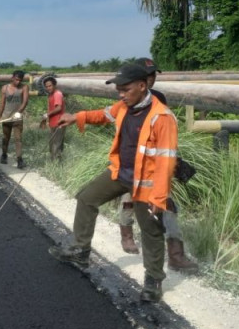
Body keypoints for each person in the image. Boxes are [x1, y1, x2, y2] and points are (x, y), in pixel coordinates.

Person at [49, 63, 178, 303]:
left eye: (125, 89)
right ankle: (80, 250)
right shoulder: (124, 106)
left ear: (142, 86)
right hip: (121, 172)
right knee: (86, 198)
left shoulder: (162, 117)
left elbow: (166, 161)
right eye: (119, 90)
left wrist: (159, 197)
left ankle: (153, 281)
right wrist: (76, 116)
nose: (121, 94)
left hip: (146, 182)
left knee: (150, 230)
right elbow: (103, 114)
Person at [116, 57, 198, 272]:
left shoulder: (159, 100)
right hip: (132, 166)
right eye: (148, 75)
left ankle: (176, 254)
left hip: (154, 167)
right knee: (129, 200)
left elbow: (164, 138)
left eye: (153, 75)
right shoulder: (127, 101)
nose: (151, 79)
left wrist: (174, 162)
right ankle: (127, 235)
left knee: (167, 205)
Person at [0, 70, 29, 168]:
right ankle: (4, 154)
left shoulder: (24, 87)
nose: (18, 82)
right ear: (12, 78)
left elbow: (25, 102)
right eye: (16, 79)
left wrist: (19, 112)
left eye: (20, 80)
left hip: (17, 118)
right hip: (6, 118)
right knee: (6, 138)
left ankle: (19, 160)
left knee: (18, 139)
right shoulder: (5, 88)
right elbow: (2, 103)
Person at [39, 75, 65, 161]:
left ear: (54, 85)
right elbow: (50, 108)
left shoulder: (57, 94)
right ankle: (53, 163)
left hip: (59, 123)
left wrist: (47, 115)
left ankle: (57, 165)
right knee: (52, 144)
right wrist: (46, 120)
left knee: (56, 145)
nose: (48, 88)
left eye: (50, 86)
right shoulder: (50, 95)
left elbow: (58, 108)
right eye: (46, 86)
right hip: (52, 123)